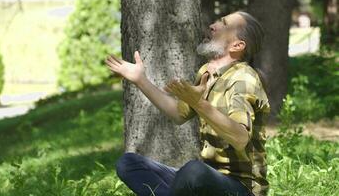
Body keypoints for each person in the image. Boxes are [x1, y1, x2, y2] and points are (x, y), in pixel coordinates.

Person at [104, 10, 271, 196]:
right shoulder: (207, 73)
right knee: (129, 164)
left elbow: (240, 138)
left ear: (237, 45)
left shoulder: (243, 78)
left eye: (223, 24)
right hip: (207, 181)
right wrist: (140, 79)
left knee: (193, 171)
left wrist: (199, 104)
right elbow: (177, 113)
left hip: (241, 188)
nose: (212, 26)